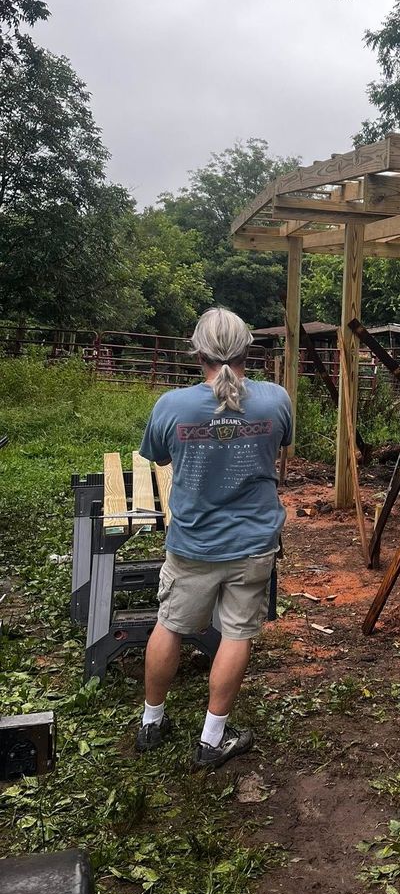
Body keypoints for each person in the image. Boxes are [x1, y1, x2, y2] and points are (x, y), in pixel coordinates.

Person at [135, 307, 293, 769]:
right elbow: (278, 445)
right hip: (253, 545)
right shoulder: (275, 399)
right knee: (237, 634)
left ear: (197, 352)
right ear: (248, 349)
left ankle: (152, 722)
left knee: (170, 625)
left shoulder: (172, 406)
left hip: (192, 544)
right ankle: (211, 739)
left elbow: (160, 458)